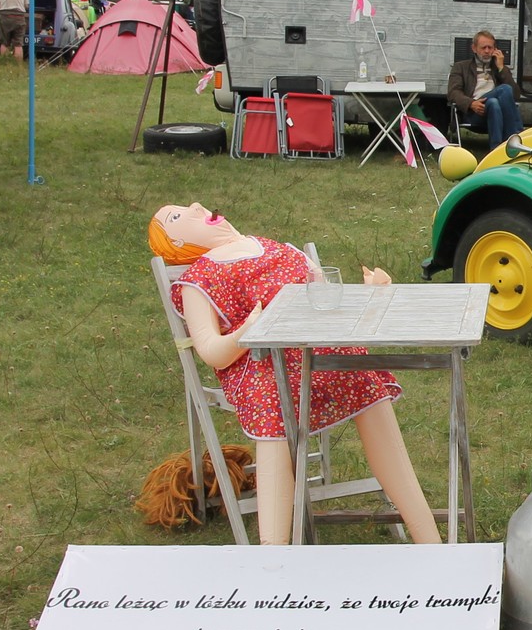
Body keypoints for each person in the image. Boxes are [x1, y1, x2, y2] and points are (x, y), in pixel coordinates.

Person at [149, 203, 441, 546]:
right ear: (178, 244)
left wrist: (367, 295)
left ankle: (430, 540)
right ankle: (273, 556)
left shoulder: (279, 248)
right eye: (178, 216)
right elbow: (211, 349)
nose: (197, 207)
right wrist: (246, 331)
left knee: (360, 370)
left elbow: (326, 300)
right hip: (261, 364)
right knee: (273, 398)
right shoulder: (197, 279)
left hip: (318, 347)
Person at [446, 29, 525, 149]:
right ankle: (518, 137)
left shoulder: (499, 68)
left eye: (490, 47)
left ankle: (496, 149)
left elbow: (515, 95)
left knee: (494, 102)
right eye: (483, 48)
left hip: (495, 111)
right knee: (503, 89)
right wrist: (471, 103)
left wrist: (501, 68)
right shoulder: (461, 67)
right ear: (474, 48)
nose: (487, 51)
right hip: (473, 112)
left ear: (495, 49)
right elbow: (453, 92)